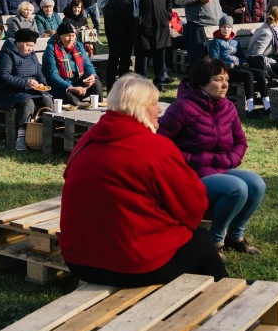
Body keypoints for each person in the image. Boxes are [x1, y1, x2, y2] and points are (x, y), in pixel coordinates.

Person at [59, 75, 225, 286]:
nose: (159, 110)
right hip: (131, 264)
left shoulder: (86, 141)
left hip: (78, 261)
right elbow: (193, 208)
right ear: (139, 107)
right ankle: (226, 298)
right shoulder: (155, 148)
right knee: (201, 240)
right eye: (154, 103)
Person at [159, 57, 266, 256]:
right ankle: (215, 241)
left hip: (222, 169)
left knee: (257, 184)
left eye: (226, 78)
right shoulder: (182, 108)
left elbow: (240, 142)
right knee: (237, 188)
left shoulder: (228, 107)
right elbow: (161, 143)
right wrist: (195, 160)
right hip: (192, 175)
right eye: (218, 79)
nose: (225, 84)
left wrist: (229, 160)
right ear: (202, 82)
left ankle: (235, 236)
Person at [0, 27, 50, 151]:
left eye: (32, 46)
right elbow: (3, 76)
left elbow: (38, 72)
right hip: (8, 92)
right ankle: (21, 136)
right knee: (27, 102)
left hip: (29, 89)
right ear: (18, 42)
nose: (30, 48)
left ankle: (45, 133)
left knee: (47, 99)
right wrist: (26, 82)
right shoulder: (6, 54)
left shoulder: (32, 55)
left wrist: (42, 83)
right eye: (27, 45)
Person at [207, 15, 268, 111]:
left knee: (259, 73)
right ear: (220, 28)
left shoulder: (235, 41)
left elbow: (240, 55)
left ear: (231, 28)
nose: (226, 30)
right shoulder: (216, 42)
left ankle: (267, 105)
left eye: (228, 27)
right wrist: (229, 65)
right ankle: (251, 108)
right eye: (223, 27)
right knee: (248, 75)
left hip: (239, 68)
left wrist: (244, 63)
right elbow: (215, 61)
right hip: (226, 71)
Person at [175, 0, 222, 69]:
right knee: (198, 60)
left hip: (213, 26)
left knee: (210, 61)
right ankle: (194, 85)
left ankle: (206, 85)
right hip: (198, 26)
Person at [103, 0, 140, 88]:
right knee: (115, 54)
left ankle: (123, 86)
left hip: (131, 18)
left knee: (126, 54)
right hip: (115, 17)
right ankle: (111, 85)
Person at [43, 21, 101, 106]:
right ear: (59, 36)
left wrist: (91, 75)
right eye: (68, 36)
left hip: (79, 83)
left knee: (97, 84)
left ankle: (99, 111)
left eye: (73, 36)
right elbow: (52, 76)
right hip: (61, 87)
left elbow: (87, 64)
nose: (71, 39)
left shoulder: (78, 46)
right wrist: (71, 88)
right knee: (71, 98)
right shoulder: (51, 49)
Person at [135, 0, 172, 87]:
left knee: (160, 55)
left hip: (161, 25)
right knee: (143, 57)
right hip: (144, 26)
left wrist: (167, 15)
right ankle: (141, 84)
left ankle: (159, 82)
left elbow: (168, 1)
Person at [246, 6, 278, 90]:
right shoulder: (267, 33)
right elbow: (256, 55)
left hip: (266, 58)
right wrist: (273, 61)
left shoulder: (269, 28)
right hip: (259, 63)